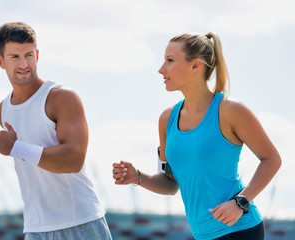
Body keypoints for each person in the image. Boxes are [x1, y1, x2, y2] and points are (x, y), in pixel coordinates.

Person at [112, 33, 281, 240]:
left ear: (195, 66)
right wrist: (137, 177)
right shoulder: (166, 119)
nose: (161, 69)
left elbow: (272, 159)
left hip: (239, 230)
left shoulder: (230, 111)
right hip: (202, 235)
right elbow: (170, 183)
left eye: (170, 60)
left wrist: (241, 202)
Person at [0, 22, 112, 240]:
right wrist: (17, 149)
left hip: (80, 223)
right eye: (15, 57)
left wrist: (16, 148)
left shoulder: (61, 97)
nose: (24, 63)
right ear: (0, 61)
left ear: (37, 54)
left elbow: (73, 160)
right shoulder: (3, 110)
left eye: (29, 55)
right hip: (35, 228)